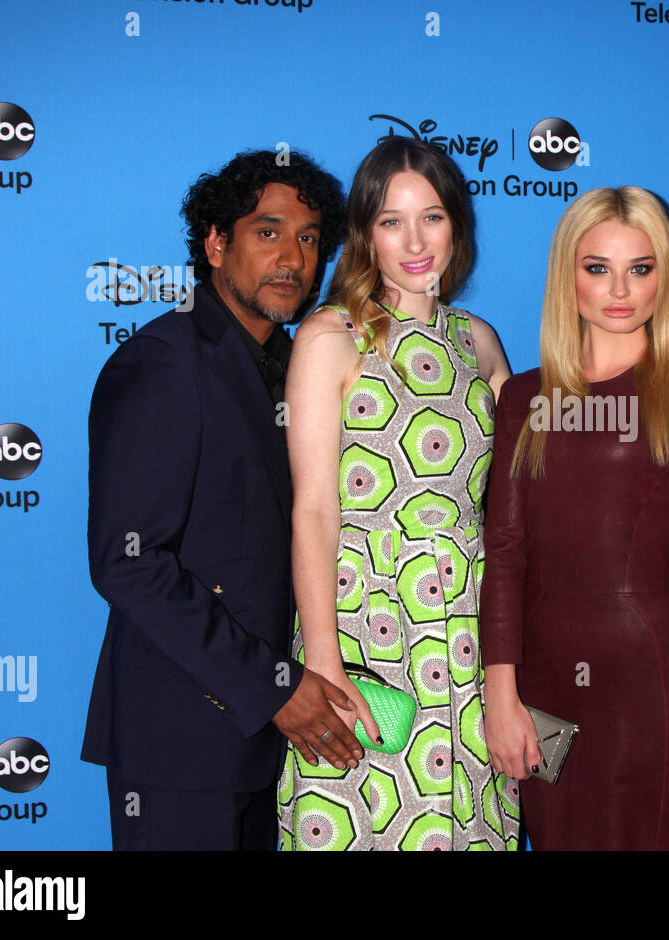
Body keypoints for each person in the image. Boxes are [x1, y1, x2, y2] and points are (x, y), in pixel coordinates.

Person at [84, 149, 357, 850]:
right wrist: (272, 688)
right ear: (214, 243)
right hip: (181, 746)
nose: (292, 257)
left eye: (308, 238)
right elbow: (128, 563)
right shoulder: (166, 360)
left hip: (264, 752)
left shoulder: (293, 368)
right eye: (267, 232)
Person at [277, 136, 517, 850]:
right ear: (365, 234)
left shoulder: (479, 341)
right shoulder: (332, 336)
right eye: (391, 221)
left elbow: (538, 473)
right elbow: (315, 511)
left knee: (466, 820)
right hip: (368, 624)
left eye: (433, 217)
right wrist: (322, 661)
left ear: (457, 226)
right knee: (362, 818)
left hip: (471, 629)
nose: (416, 241)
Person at [480, 186, 669, 850]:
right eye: (597, 267)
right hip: (542, 684)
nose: (619, 288)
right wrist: (500, 696)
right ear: (568, 276)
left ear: (666, 279)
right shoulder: (524, 399)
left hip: (649, 682)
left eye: (641, 268)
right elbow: (505, 553)